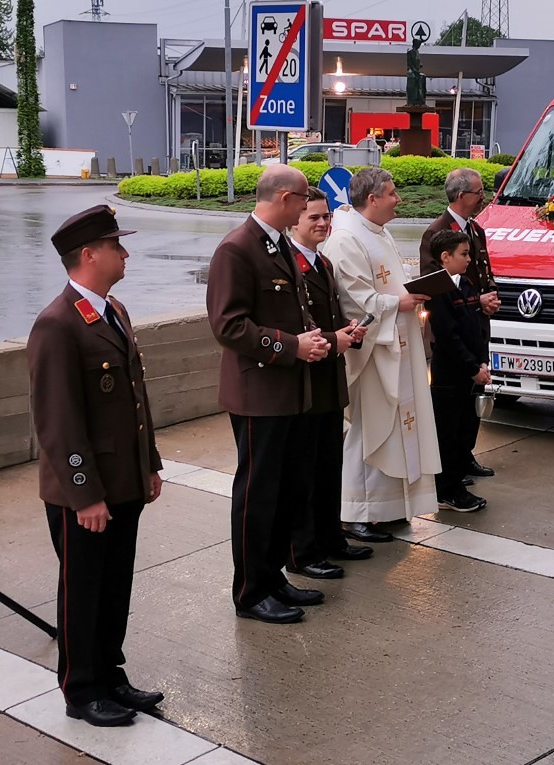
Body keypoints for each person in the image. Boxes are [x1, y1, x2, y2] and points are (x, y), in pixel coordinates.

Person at [27, 205, 164, 727]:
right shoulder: (57, 324)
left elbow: (134, 399)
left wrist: (149, 464)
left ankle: (110, 674)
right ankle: (82, 690)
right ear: (88, 255)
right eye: (115, 245)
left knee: (114, 585)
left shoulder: (114, 311)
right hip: (83, 493)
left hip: (124, 480)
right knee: (83, 591)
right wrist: (85, 494)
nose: (125, 253)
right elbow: (58, 422)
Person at [206, 164, 329, 624]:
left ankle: (273, 577)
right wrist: (291, 346)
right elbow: (228, 325)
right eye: (303, 199)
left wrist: (310, 340)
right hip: (258, 393)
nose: (306, 207)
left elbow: (292, 310)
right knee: (257, 496)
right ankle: (250, 591)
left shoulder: (277, 245)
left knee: (287, 490)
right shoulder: (237, 249)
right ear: (283, 198)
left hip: (290, 389)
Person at [323, 168, 439, 542]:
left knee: (396, 427)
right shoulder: (346, 239)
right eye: (392, 193)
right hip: (371, 350)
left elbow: (388, 283)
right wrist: (398, 303)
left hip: (397, 344)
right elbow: (354, 300)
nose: (398, 199)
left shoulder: (379, 232)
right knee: (367, 427)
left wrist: (409, 294)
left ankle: (388, 508)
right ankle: (355, 511)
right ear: (372, 199)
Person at [285, 187, 371, 578]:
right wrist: (335, 339)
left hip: (329, 380)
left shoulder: (322, 262)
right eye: (314, 217)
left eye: (327, 217)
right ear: (295, 221)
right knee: (303, 473)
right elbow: (295, 328)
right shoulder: (291, 265)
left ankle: (330, 538)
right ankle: (303, 553)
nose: (323, 223)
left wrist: (349, 332)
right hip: (305, 382)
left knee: (328, 466)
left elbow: (329, 319)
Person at [419, 167, 500, 483]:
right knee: (451, 405)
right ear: (462, 195)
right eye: (479, 193)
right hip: (454, 329)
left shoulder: (476, 230)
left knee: (474, 396)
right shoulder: (437, 232)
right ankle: (451, 464)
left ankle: (466, 454)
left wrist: (490, 296)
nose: (483, 198)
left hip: (477, 326)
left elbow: (485, 271)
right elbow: (435, 285)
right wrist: (475, 300)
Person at [426, 230, 492, 511]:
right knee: (448, 433)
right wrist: (471, 367)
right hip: (451, 375)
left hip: (471, 371)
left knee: (465, 428)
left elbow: (475, 327)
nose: (468, 259)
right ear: (445, 257)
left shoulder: (465, 284)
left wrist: (482, 361)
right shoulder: (438, 289)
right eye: (463, 254)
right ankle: (446, 490)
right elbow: (448, 335)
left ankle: (458, 480)